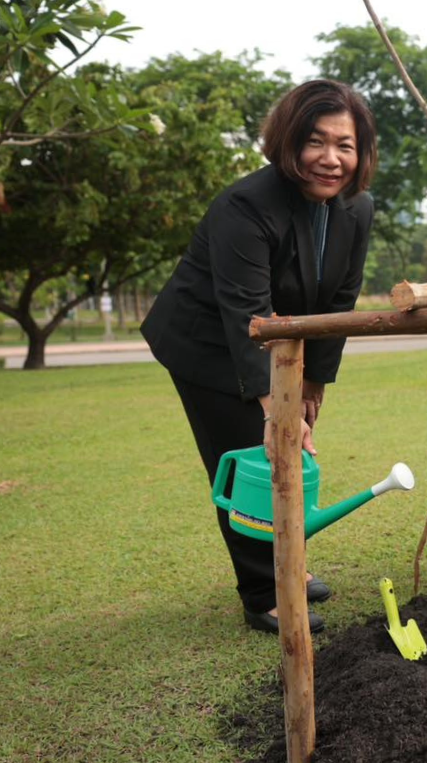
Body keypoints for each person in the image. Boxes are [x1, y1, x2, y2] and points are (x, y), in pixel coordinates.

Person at [142, 80, 379, 635]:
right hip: (207, 342)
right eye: (315, 142)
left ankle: (288, 566)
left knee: (290, 455)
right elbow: (246, 312)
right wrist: (278, 408)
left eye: (345, 145)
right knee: (255, 457)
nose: (330, 159)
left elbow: (338, 300)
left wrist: (315, 384)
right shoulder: (246, 205)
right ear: (289, 141)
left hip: (272, 341)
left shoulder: (357, 207)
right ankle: (262, 591)